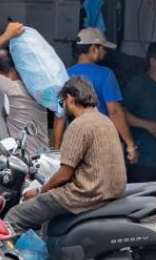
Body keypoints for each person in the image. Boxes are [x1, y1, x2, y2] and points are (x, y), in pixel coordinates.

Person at [6, 77, 127, 234]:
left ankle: (10, 258)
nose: (63, 109)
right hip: (108, 192)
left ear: (70, 99)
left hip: (85, 194)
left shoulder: (79, 125)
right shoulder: (105, 121)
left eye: (62, 103)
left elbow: (64, 174)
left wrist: (39, 192)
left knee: (15, 215)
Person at [53, 27, 139, 165]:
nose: (105, 52)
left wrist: (56, 151)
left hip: (73, 143)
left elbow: (59, 117)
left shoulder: (64, 75)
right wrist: (130, 144)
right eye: (103, 48)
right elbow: (115, 112)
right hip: (100, 143)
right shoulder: (106, 75)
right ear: (93, 49)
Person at [0, 21, 50, 155]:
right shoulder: (37, 89)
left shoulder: (9, 89)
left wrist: (7, 35)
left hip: (22, 164)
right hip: (43, 161)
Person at [122, 42, 156, 182]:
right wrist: (148, 125)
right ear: (153, 61)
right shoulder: (138, 85)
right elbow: (121, 114)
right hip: (142, 161)